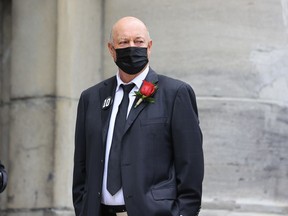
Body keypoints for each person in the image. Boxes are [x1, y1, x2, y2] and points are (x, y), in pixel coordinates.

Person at [73, 16, 204, 216]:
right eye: (124, 42)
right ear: (111, 49)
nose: (132, 47)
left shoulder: (175, 93)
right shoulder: (91, 98)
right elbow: (81, 165)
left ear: (149, 46)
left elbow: (190, 164)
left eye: (138, 41)